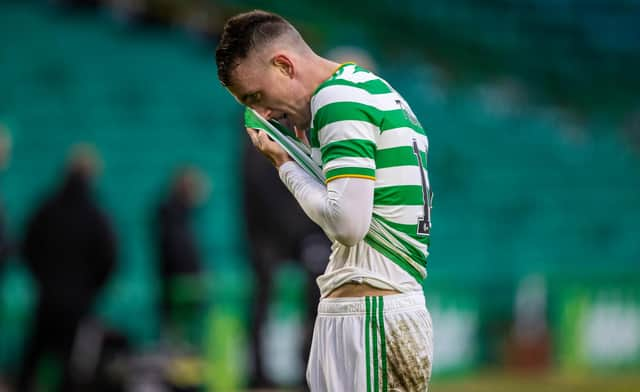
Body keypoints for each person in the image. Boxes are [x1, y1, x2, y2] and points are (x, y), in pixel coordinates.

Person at [216, 10, 434, 391]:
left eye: (257, 97)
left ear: (284, 65)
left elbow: (348, 226)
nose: (263, 114)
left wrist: (285, 164)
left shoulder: (337, 100)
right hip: (372, 311)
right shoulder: (366, 89)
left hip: (369, 317)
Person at [18, 144, 117, 392]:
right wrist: (91, 290)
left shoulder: (45, 209)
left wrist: (43, 280)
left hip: (47, 300)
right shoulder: (97, 215)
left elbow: (27, 248)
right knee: (75, 373)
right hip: (79, 306)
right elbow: (109, 258)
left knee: (31, 368)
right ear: (92, 175)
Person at [242, 129, 331, 388]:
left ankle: (307, 368)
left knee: (316, 299)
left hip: (293, 232)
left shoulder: (288, 130)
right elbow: (261, 191)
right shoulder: (258, 137)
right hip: (269, 237)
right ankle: (259, 371)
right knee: (264, 303)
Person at [152, 166, 208, 349]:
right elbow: (179, 255)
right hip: (179, 290)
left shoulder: (174, 217)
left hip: (177, 288)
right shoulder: (174, 219)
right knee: (179, 343)